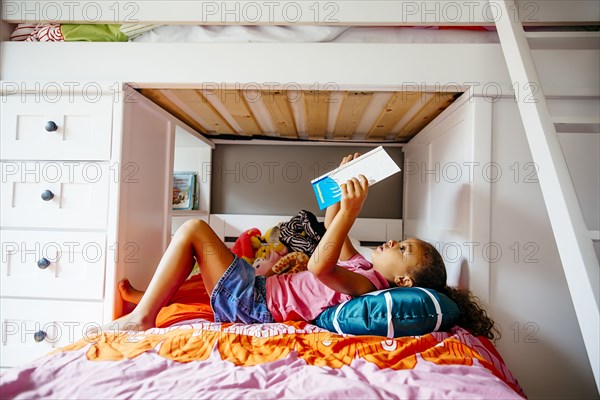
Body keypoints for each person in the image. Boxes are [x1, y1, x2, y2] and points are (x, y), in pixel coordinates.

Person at [108, 154, 498, 340]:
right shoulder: (363, 266)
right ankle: (151, 304)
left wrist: (353, 211)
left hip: (256, 306)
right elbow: (332, 228)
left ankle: (142, 316)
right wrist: (342, 190)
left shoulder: (370, 287)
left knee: (194, 229)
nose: (395, 241)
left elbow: (319, 268)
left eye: (405, 249)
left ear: (403, 279)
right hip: (258, 292)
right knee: (199, 244)